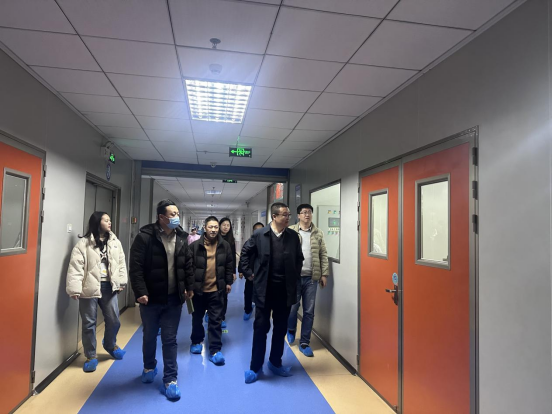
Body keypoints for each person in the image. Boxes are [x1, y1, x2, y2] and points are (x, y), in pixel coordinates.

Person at [129, 199, 194, 401]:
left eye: (177, 213)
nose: (177, 217)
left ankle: (171, 379)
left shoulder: (182, 237)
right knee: (149, 335)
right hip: (150, 299)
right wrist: (140, 291)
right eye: (173, 214)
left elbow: (188, 265)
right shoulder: (144, 237)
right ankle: (149, 366)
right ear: (161, 217)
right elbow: (136, 267)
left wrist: (189, 287)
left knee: (169, 339)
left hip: (174, 298)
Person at [239, 203, 303, 384]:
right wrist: (249, 273)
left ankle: (275, 362)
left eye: (289, 214)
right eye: (284, 215)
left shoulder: (293, 237)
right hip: (264, 291)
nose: (288, 218)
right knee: (260, 328)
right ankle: (255, 367)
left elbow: (299, 258)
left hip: (284, 291)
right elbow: (245, 253)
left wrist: (294, 275)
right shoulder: (260, 234)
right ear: (274, 216)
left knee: (280, 328)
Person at [66, 212, 127, 372]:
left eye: (110, 220)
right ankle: (91, 356)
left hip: (109, 286)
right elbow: (76, 267)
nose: (110, 222)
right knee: (89, 323)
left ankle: (110, 345)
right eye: (106, 220)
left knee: (114, 320)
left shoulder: (115, 242)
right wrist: (74, 289)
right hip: (89, 286)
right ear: (97, 222)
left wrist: (121, 282)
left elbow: (121, 263)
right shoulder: (83, 244)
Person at [189, 216, 234, 365]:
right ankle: (196, 341)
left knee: (215, 321)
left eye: (216, 227)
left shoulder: (225, 245)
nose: (213, 230)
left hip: (217, 289)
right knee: (197, 318)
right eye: (210, 227)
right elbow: (188, 268)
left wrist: (228, 282)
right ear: (205, 228)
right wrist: (189, 287)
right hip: (198, 290)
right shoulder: (194, 246)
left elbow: (229, 265)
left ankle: (215, 350)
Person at [287, 204, 329, 357]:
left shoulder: (318, 233)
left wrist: (324, 274)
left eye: (309, 212)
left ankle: (304, 342)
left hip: (311, 278)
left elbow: (323, 254)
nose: (307, 215)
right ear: (298, 215)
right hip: (294, 277)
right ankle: (291, 328)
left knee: (309, 311)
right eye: (304, 212)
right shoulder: (290, 231)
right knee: (292, 308)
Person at [239, 222, 264, 320]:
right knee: (248, 293)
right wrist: (244, 271)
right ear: (253, 232)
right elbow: (243, 257)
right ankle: (248, 309)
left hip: (262, 274)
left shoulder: (267, 242)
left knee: (261, 294)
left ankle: (260, 311)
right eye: (256, 230)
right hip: (251, 274)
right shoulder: (249, 243)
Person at [218, 217, 237, 328]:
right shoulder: (214, 237)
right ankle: (210, 312)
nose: (226, 227)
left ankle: (222, 317)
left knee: (224, 294)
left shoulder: (231, 240)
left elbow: (233, 257)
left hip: (226, 270)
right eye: (224, 225)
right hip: (215, 269)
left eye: (228, 225)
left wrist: (233, 271)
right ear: (219, 226)